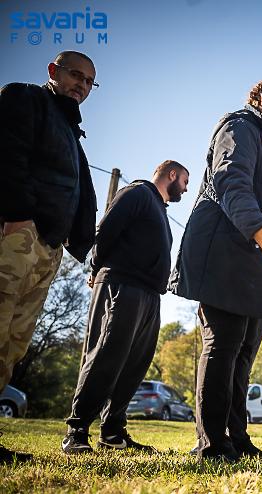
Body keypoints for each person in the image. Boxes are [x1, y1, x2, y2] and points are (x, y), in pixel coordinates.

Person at [169, 79, 262, 462]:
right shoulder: (239, 127)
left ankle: (236, 438)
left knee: (243, 355)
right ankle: (211, 443)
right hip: (225, 255)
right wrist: (255, 225)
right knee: (223, 348)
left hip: (254, 266)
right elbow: (230, 177)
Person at [0, 50, 98, 464]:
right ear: (53, 72)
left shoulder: (71, 131)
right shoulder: (24, 98)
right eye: (75, 74)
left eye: (90, 81)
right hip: (17, 236)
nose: (82, 84)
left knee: (12, 345)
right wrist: (17, 215)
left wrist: (79, 248)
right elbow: (7, 154)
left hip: (49, 249)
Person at [61, 161, 189, 454]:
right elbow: (106, 230)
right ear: (172, 174)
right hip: (122, 285)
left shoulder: (159, 208)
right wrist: (95, 268)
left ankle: (113, 433)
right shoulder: (137, 193)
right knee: (106, 355)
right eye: (185, 180)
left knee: (134, 365)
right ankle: (77, 431)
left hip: (149, 295)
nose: (185, 187)